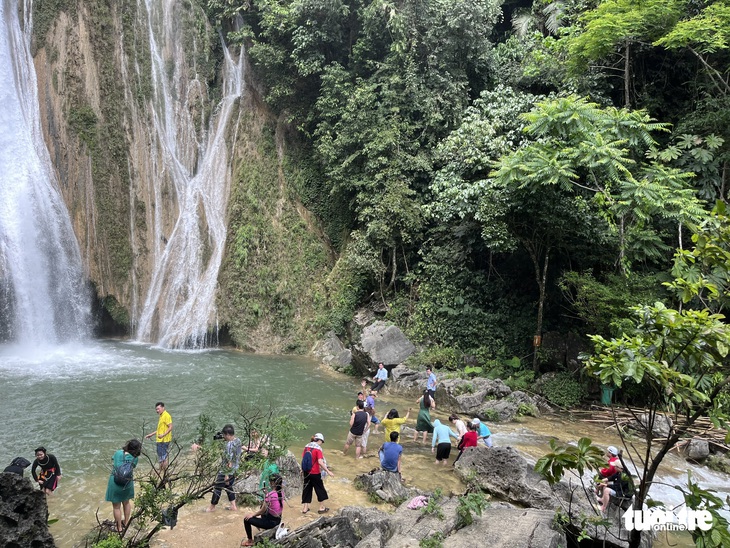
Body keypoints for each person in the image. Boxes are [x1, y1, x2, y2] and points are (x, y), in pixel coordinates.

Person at [105, 439, 142, 533]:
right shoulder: (135, 458)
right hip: (127, 483)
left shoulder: (118, 453)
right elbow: (132, 467)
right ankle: (126, 522)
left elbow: (113, 459)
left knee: (116, 507)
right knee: (126, 503)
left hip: (115, 482)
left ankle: (119, 528)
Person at [242, 473, 284, 546]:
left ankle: (250, 540)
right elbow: (273, 503)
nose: (269, 483)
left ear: (273, 483)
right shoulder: (282, 492)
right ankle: (258, 523)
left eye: (270, 482)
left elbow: (262, 511)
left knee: (246, 519)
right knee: (262, 506)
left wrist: (252, 515)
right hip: (278, 519)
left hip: (271, 522)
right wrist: (266, 494)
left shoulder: (270, 495)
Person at [208, 424, 242, 512]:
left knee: (217, 487)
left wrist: (226, 475)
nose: (224, 437)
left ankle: (212, 507)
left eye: (224, 435)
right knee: (228, 487)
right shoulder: (238, 441)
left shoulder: (230, 445)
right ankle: (233, 506)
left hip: (226, 470)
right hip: (235, 469)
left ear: (227, 434)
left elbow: (229, 461)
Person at [301, 433, 333, 514]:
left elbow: (303, 459)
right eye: (322, 442)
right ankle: (322, 507)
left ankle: (305, 508)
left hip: (306, 472)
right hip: (315, 472)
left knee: (307, 489)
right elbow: (320, 462)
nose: (322, 444)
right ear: (319, 440)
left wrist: (302, 470)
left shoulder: (307, 446)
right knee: (319, 489)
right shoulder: (318, 449)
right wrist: (328, 471)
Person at [596, 446, 630, 513]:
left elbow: (616, 487)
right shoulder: (619, 472)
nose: (614, 467)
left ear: (619, 468)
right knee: (605, 486)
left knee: (607, 490)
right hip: (618, 487)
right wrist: (604, 480)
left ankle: (603, 507)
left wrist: (605, 484)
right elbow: (612, 477)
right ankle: (603, 499)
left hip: (623, 493)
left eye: (615, 466)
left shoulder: (624, 476)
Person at [145, 402, 173, 470]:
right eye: (156, 409)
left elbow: (170, 427)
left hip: (164, 440)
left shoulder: (166, 415)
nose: (157, 411)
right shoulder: (161, 416)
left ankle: (163, 471)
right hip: (160, 440)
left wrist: (163, 435)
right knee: (161, 456)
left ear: (163, 408)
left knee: (163, 457)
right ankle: (162, 470)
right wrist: (151, 434)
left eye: (158, 409)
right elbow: (159, 430)